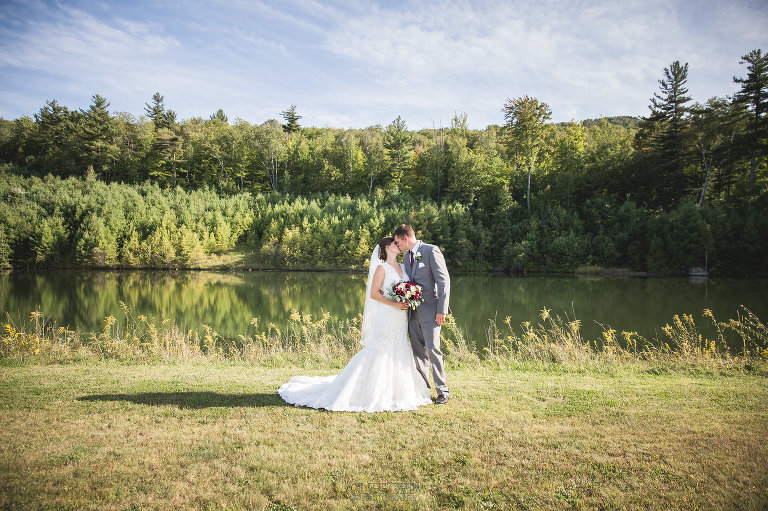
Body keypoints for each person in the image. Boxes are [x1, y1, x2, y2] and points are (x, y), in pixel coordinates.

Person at [278, 237, 432, 412]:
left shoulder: (404, 267)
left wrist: (409, 296)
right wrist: (395, 303)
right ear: (388, 247)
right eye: (396, 243)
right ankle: (370, 391)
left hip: (401, 316)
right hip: (388, 314)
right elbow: (374, 294)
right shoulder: (382, 268)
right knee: (382, 346)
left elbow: (409, 285)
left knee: (400, 345)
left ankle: (400, 392)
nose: (400, 245)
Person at [393, 224, 450, 404]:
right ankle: (423, 389)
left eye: (397, 241)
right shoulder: (406, 256)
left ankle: (442, 391)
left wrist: (442, 309)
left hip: (432, 311)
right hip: (412, 312)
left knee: (433, 349)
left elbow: (443, 281)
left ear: (406, 239)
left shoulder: (431, 251)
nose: (397, 245)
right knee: (418, 352)